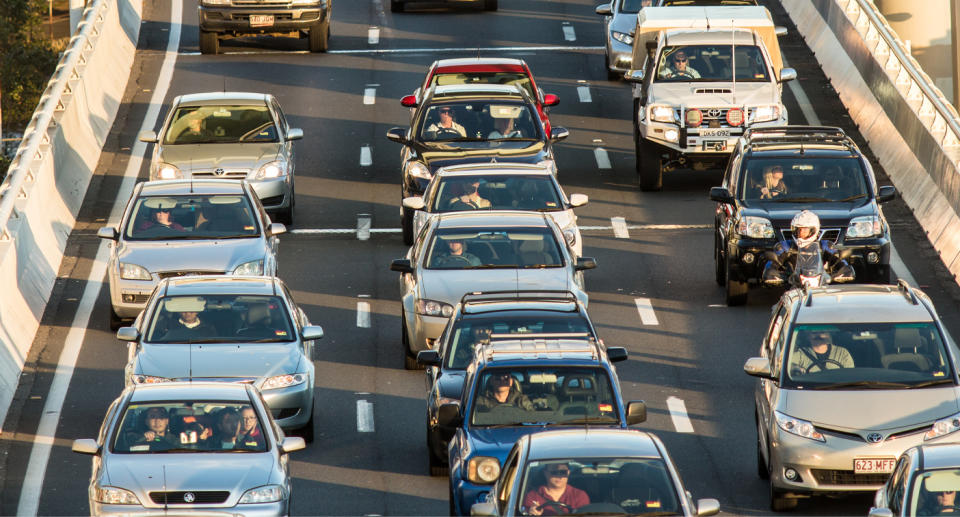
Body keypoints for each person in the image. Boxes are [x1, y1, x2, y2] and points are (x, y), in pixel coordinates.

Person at [522, 463, 591, 516]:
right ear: (545, 473)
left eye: (563, 472)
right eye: (554, 472)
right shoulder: (533, 496)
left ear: (568, 473)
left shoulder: (580, 496)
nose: (559, 476)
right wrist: (532, 513)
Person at [790, 329, 854, 374]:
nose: (819, 336)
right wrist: (796, 368)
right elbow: (788, 366)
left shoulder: (842, 352)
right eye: (814, 333)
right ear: (808, 336)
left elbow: (850, 374)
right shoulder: (801, 354)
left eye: (822, 332)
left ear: (828, 335)